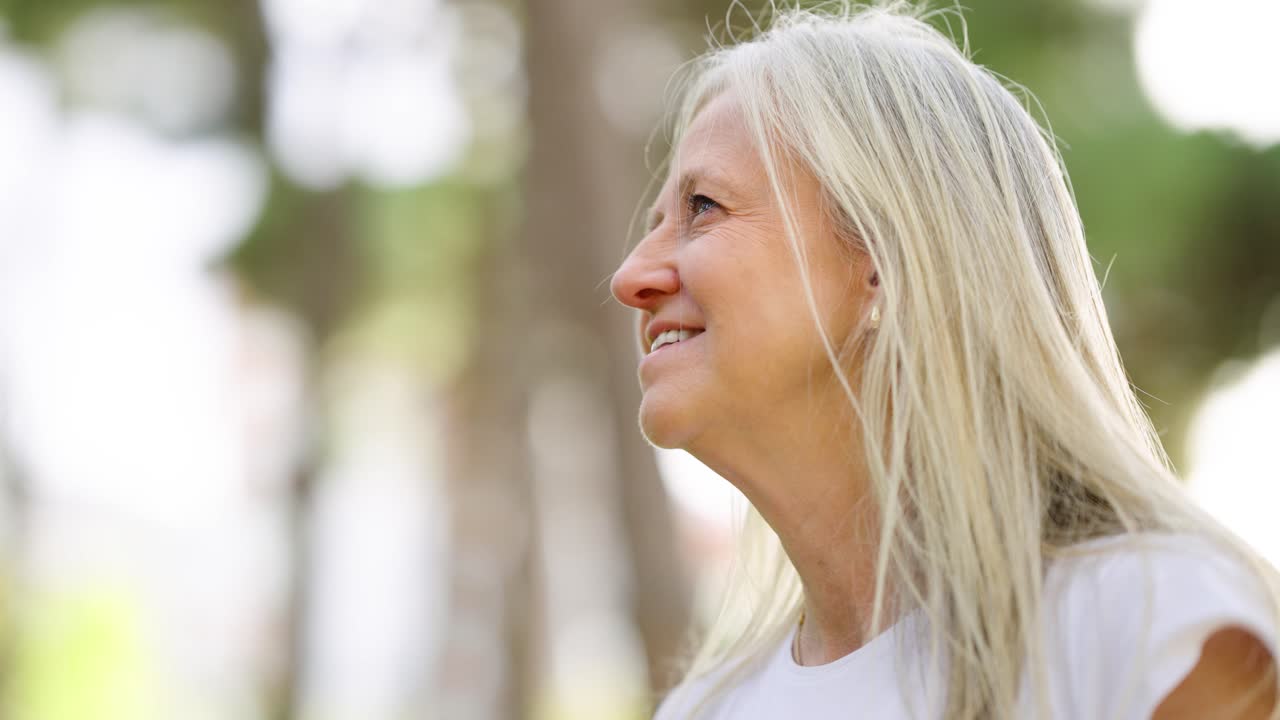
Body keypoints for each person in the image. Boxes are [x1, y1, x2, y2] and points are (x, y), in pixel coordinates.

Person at [608, 2, 1280, 718]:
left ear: (886, 256)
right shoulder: (704, 709)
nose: (629, 278)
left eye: (703, 207)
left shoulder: (1151, 629)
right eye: (655, 226)